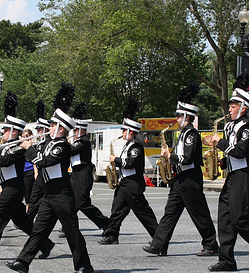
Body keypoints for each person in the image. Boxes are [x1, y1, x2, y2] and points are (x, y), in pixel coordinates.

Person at [203, 74, 249, 272]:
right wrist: (221, 161)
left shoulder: (247, 127)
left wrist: (218, 142)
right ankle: (227, 260)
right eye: (230, 105)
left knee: (240, 221)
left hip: (244, 179)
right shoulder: (232, 127)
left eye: (233, 106)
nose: (229, 109)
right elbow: (233, 154)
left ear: (244, 108)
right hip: (233, 177)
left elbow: (240, 151)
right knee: (225, 219)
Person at [6, 109, 93, 273]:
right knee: (38, 230)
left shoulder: (62, 146)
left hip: (61, 195)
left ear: (61, 128)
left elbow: (45, 161)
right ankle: (23, 262)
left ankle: (85, 265)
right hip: (49, 195)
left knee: (72, 231)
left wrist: (29, 147)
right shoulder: (49, 143)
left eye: (53, 125)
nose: (50, 128)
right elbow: (36, 153)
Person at [143, 83, 218, 257]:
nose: (176, 119)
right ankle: (159, 244)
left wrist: (169, 156)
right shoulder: (183, 134)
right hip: (180, 178)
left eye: (178, 115)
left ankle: (211, 244)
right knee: (170, 212)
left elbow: (188, 158)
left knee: (199, 213)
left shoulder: (191, 134)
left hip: (190, 178)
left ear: (186, 116)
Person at [0, 115, 54, 261]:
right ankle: (45, 244)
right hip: (9, 187)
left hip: (14, 188)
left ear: (13, 132)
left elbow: (4, 161)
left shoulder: (18, 147)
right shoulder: (6, 146)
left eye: (5, 130)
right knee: (22, 222)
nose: (2, 133)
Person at [99, 115, 158, 245]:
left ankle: (159, 237)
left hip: (133, 184)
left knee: (143, 211)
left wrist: (116, 160)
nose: (122, 133)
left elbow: (130, 163)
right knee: (117, 210)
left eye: (124, 130)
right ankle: (111, 235)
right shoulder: (128, 145)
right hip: (124, 182)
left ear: (130, 131)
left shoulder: (136, 146)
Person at [69, 118, 110, 233]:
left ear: (81, 129)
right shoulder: (78, 140)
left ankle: (105, 222)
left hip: (83, 174)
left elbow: (71, 150)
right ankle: (68, 226)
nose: (74, 132)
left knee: (83, 203)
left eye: (76, 129)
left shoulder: (83, 141)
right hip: (76, 174)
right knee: (72, 202)